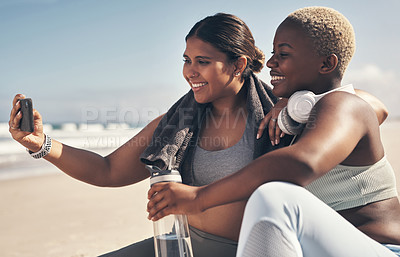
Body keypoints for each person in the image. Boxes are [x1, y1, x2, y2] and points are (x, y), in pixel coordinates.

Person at [9, 13, 389, 257]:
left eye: (203, 62)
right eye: (186, 61)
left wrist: (294, 105)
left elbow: (368, 107)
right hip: (182, 244)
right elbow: (108, 171)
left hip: (250, 246)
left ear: (239, 64)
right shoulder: (175, 125)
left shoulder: (286, 112)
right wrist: (41, 144)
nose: (190, 72)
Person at [146, 7, 400, 257]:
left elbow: (302, 163)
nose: (270, 63)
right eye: (273, 52)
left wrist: (199, 197)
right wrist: (293, 104)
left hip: (379, 248)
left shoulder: (345, 105)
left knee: (273, 196)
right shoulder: (295, 117)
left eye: (284, 54)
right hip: (317, 250)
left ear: (326, 63)